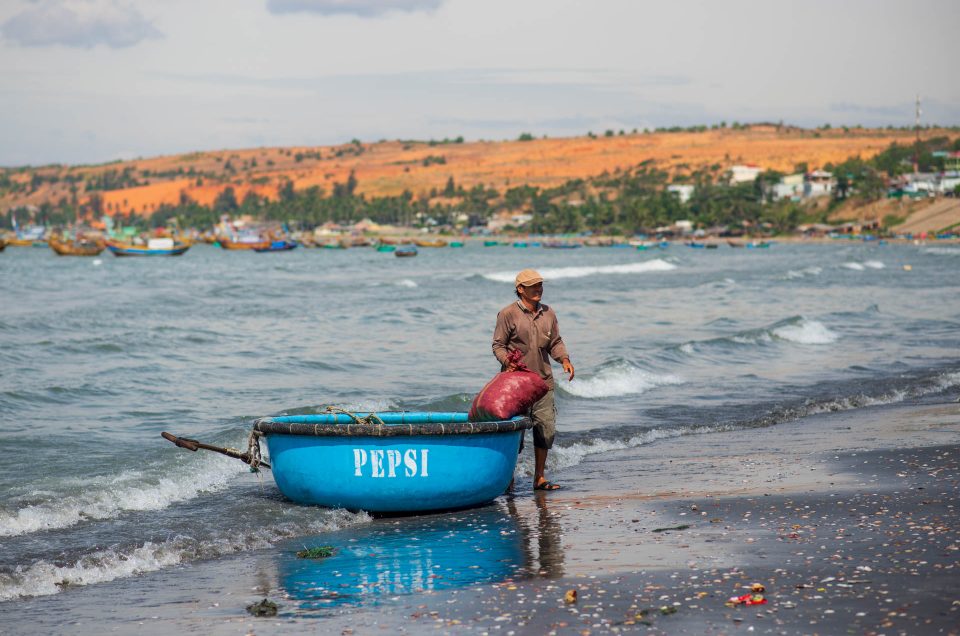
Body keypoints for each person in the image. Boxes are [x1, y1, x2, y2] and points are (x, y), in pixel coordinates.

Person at [492, 268, 574, 491]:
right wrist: (507, 361)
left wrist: (564, 359)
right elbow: (498, 345)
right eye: (533, 286)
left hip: (543, 382)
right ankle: (508, 479)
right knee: (514, 435)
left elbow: (555, 341)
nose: (539, 289)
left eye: (540, 285)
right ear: (520, 289)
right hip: (515, 385)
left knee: (545, 429)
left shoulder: (548, 313)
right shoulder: (507, 314)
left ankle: (539, 478)